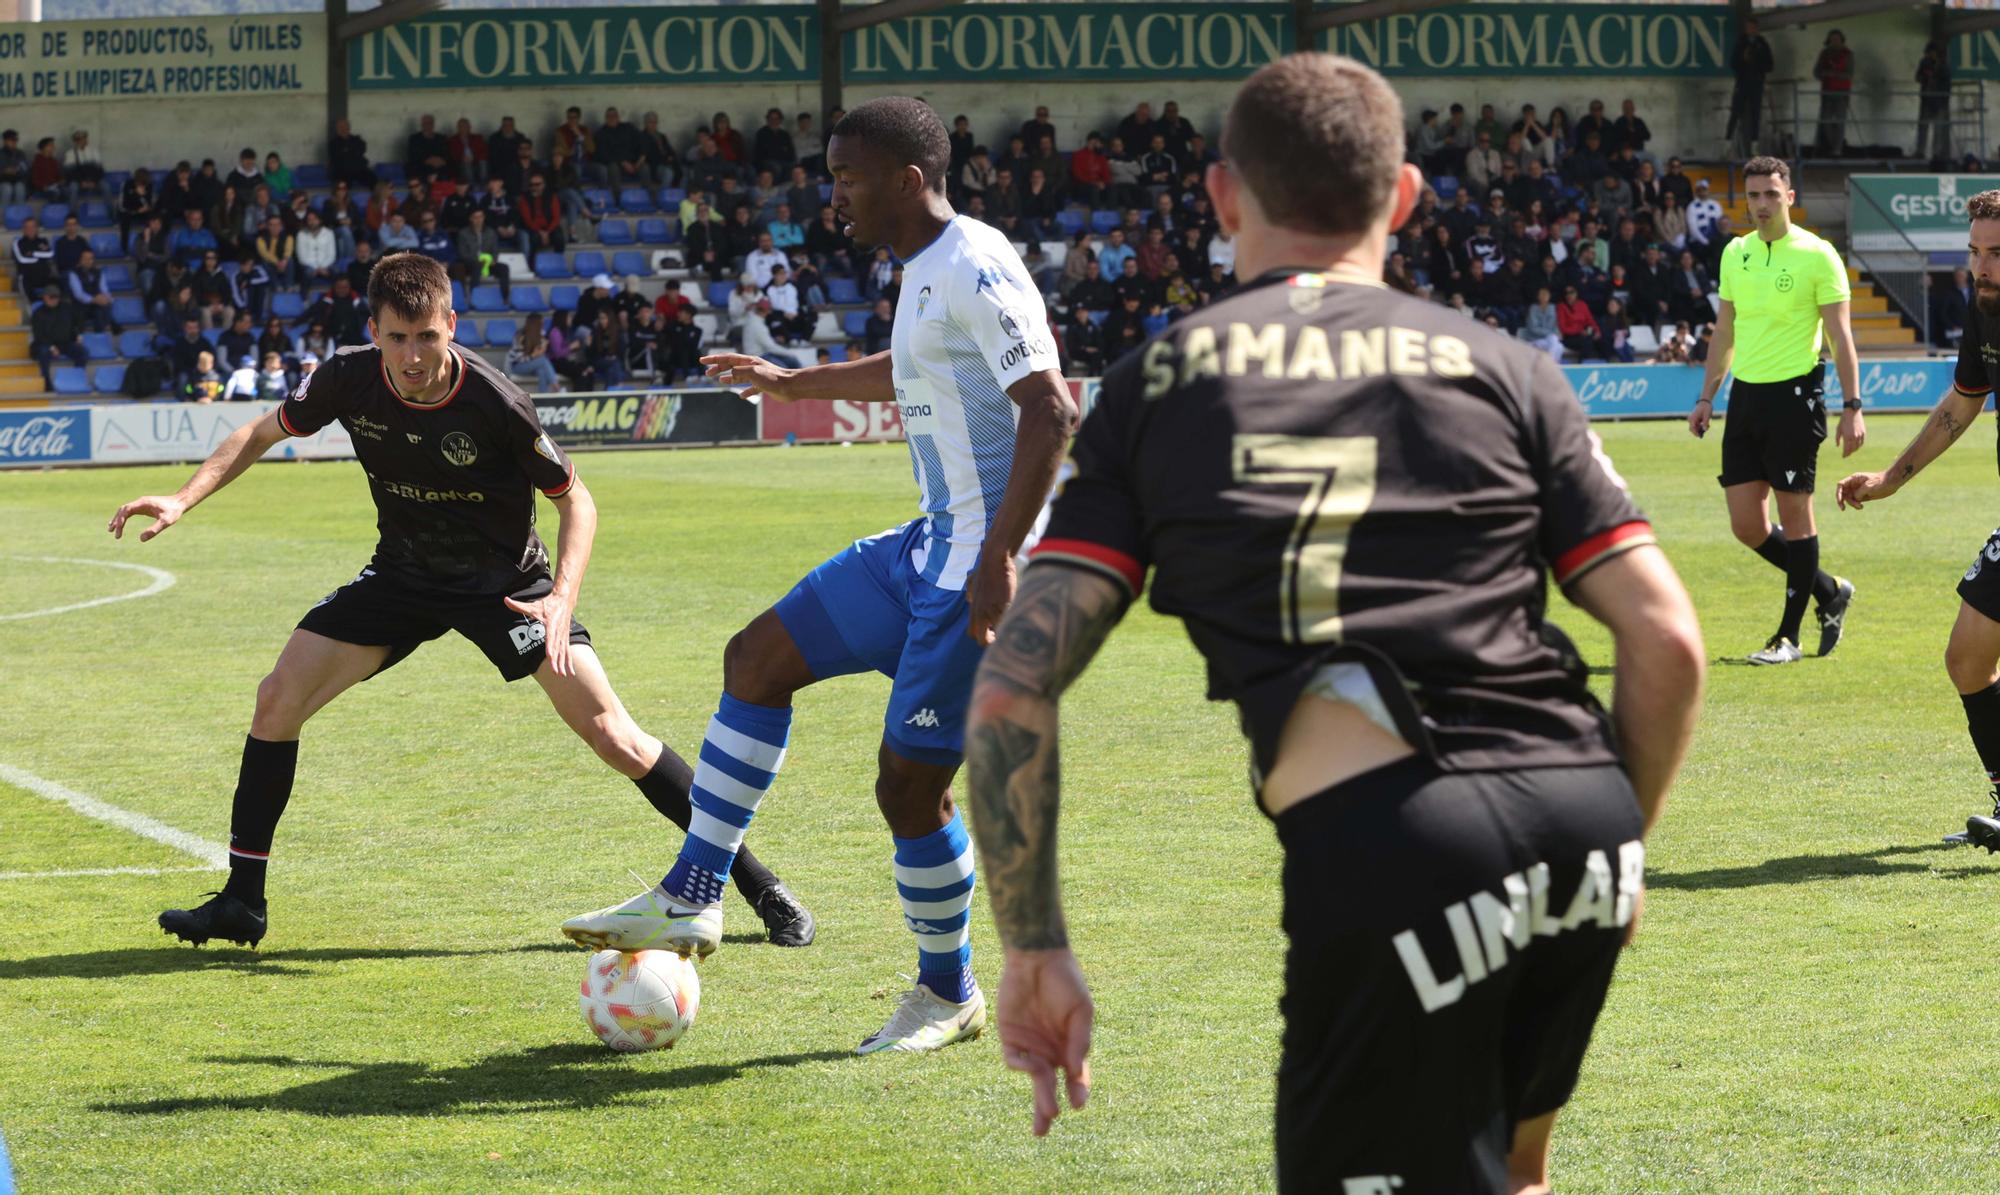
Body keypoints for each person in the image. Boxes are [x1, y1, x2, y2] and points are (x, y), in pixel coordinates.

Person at [965, 52, 1704, 1190]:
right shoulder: (1509, 367)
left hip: (1391, 841)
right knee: (1515, 1171)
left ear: (1219, 197)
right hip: (1582, 814)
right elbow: (1664, 638)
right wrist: (1619, 845)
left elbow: (1014, 685)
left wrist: (1032, 946)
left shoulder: (1158, 384)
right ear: (1402, 196)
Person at [561, 96, 1078, 1056]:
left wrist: (1004, 559)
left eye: (846, 177)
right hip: (928, 546)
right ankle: (695, 889)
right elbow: (919, 370)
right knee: (756, 658)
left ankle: (946, 992)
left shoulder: (975, 263)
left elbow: (1050, 410)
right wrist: (798, 383)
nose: (830, 194)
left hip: (985, 570)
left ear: (908, 181)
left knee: (908, 792)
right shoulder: (926, 269)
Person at [109, 252, 815, 951]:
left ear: (451, 323)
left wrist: (562, 599)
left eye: (427, 336)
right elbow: (260, 432)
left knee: (616, 736)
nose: (412, 356)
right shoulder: (347, 379)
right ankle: (241, 900)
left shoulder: (496, 399)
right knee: (275, 701)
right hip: (404, 575)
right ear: (373, 330)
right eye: (396, 337)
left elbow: (578, 501)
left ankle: (757, 882)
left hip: (505, 587)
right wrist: (181, 496)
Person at [1837, 190, 2000, 847]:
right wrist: (1888, 481)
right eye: (1975, 252)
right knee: (1968, 659)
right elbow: (1961, 406)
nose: (1981, 266)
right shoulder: (1983, 311)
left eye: (1996, 254)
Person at [1688, 156, 1862, 665]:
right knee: (1747, 525)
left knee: (1795, 515)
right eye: (1753, 195)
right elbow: (1725, 330)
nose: (1761, 204)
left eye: (1770, 194)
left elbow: (1840, 334)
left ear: (1789, 196)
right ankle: (1829, 591)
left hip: (1795, 396)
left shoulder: (1817, 254)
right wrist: (1706, 397)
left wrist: (1853, 407)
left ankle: (1788, 637)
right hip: (1746, 397)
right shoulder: (1735, 252)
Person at [1729, 18, 1775, 157]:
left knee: (1756, 114)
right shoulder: (1740, 43)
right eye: (1748, 27)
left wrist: (1758, 61)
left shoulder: (1762, 43)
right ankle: (1728, 145)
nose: (1751, 30)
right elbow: (1733, 63)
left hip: (1757, 83)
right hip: (1742, 82)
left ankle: (1754, 146)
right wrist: (1744, 59)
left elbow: (1770, 65)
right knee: (1735, 113)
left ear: (1757, 28)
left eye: (1753, 27)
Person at [28, 284, 86, 388]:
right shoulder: (38, 314)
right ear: (45, 297)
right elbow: (38, 335)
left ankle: (77, 378)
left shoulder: (66, 308)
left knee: (82, 351)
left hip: (65, 342)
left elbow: (76, 323)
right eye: (52, 297)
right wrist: (51, 346)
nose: (55, 300)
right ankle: (46, 382)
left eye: (57, 297)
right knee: (43, 352)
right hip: (45, 344)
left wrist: (78, 335)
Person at [1814, 30, 1854, 158]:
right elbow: (1817, 72)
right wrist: (1825, 74)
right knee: (1825, 121)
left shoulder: (1848, 54)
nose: (1834, 41)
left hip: (1842, 92)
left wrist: (1835, 74)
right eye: (1832, 39)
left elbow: (1849, 74)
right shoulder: (1824, 54)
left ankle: (1837, 149)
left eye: (1837, 39)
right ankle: (1832, 146)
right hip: (1827, 92)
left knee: (1840, 121)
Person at [1917, 39, 1953, 165]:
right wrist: (1926, 77)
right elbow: (1918, 77)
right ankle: (1920, 152)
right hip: (1927, 100)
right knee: (1923, 127)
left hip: (1939, 101)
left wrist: (1943, 101)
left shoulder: (1943, 65)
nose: (1928, 55)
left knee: (1938, 130)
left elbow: (1947, 84)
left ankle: (1936, 155)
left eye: (1930, 52)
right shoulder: (1924, 63)